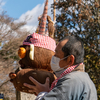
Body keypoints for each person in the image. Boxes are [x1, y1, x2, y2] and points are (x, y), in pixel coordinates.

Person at [24, 36, 97, 100]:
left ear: (70, 60)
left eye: (56, 54)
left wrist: (43, 93)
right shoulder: (86, 80)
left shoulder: (71, 81)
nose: (53, 57)